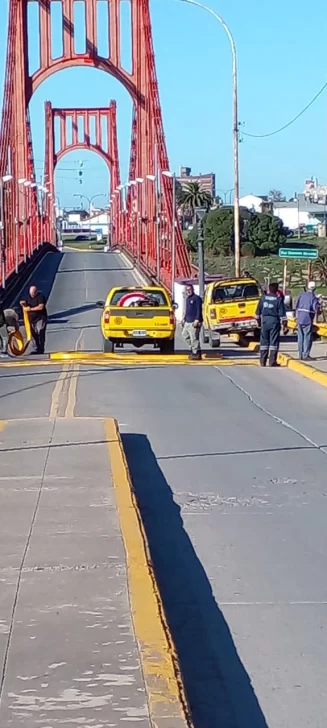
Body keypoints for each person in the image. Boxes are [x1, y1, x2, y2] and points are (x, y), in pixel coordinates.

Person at [256, 282, 286, 367]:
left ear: (269, 289)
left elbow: (257, 313)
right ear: (277, 290)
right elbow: (282, 315)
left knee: (264, 342)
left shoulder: (263, 298)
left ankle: (262, 361)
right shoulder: (278, 299)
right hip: (274, 321)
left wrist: (258, 323)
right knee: (274, 342)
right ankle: (272, 362)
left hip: (265, 321)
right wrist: (285, 326)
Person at [295, 280, 320, 361]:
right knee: (307, 337)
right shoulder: (313, 297)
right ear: (314, 288)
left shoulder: (301, 295)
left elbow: (296, 305)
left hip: (299, 318)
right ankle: (305, 355)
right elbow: (315, 308)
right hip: (307, 319)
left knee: (300, 337)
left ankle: (300, 354)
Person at [21, 286, 48, 354]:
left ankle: (41, 347)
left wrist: (30, 309)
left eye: (33, 293)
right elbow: (22, 301)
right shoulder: (27, 296)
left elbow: (41, 307)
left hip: (40, 318)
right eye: (31, 293)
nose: (32, 295)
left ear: (36, 292)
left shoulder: (40, 296)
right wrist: (23, 304)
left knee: (40, 331)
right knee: (33, 334)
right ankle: (36, 348)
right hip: (31, 319)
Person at [182, 284, 203, 360]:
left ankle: (196, 353)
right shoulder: (187, 299)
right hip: (187, 321)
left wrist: (197, 319)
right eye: (187, 290)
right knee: (184, 335)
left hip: (194, 321)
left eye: (190, 289)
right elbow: (187, 310)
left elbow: (199, 309)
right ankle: (194, 348)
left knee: (194, 338)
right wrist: (184, 318)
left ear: (193, 289)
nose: (188, 291)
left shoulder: (197, 298)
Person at [0, 286, 8, 357]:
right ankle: (3, 351)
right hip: (1, 322)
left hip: (2, 321)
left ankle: (3, 351)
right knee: (5, 337)